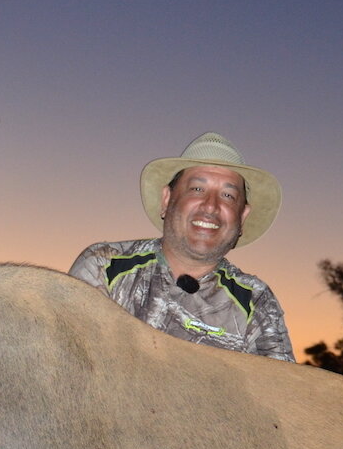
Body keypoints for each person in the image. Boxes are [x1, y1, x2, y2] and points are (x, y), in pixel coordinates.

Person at [69, 133, 293, 360]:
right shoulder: (105, 266)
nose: (211, 206)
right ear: (167, 200)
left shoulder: (256, 300)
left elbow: (282, 389)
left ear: (242, 217)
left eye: (228, 195)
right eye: (197, 189)